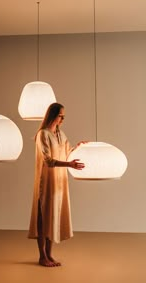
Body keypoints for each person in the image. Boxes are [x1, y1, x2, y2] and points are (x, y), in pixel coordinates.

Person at [28, 102, 86, 267]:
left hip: (59, 181)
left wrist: (79, 147)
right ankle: (42, 256)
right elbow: (48, 161)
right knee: (43, 217)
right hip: (46, 182)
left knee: (53, 216)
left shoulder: (61, 135)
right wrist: (69, 165)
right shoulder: (43, 135)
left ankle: (49, 254)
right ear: (53, 115)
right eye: (61, 116)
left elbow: (67, 153)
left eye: (63, 116)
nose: (62, 119)